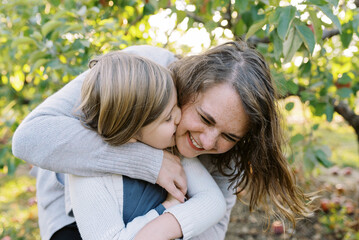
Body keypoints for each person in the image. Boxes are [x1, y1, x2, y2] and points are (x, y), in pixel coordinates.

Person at [12, 41, 313, 240]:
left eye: (229, 136)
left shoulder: (228, 150)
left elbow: (212, 219)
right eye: (206, 119)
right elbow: (29, 138)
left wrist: (163, 221)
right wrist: (151, 162)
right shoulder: (141, 75)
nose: (208, 141)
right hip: (74, 217)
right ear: (187, 88)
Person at [66, 51, 226, 240]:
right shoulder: (87, 175)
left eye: (176, 105)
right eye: (167, 118)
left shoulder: (171, 150)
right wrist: (166, 209)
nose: (178, 117)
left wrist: (171, 220)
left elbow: (214, 202)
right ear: (132, 132)